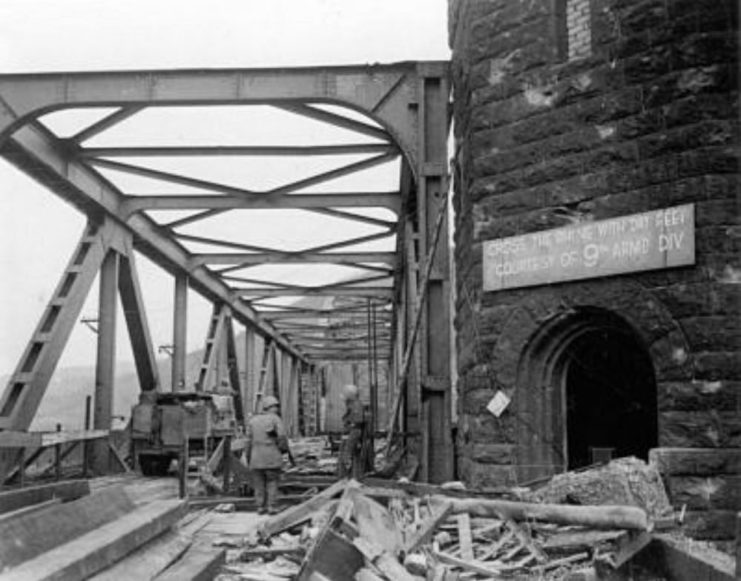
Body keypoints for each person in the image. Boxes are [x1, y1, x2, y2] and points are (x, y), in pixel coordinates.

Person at [245, 395, 290, 514]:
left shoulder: (253, 421)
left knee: (258, 483)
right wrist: (284, 451)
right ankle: (272, 506)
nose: (276, 409)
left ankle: (260, 507)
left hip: (256, 458)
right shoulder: (275, 419)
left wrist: (248, 456)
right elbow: (281, 438)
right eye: (275, 406)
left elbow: (248, 441)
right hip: (272, 457)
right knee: (272, 482)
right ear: (270, 407)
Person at [337, 384, 373, 478]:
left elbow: (356, 425)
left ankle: (349, 478)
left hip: (352, 436)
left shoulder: (356, 406)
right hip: (350, 435)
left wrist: (348, 449)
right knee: (348, 457)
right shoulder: (353, 405)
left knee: (349, 458)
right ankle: (349, 477)